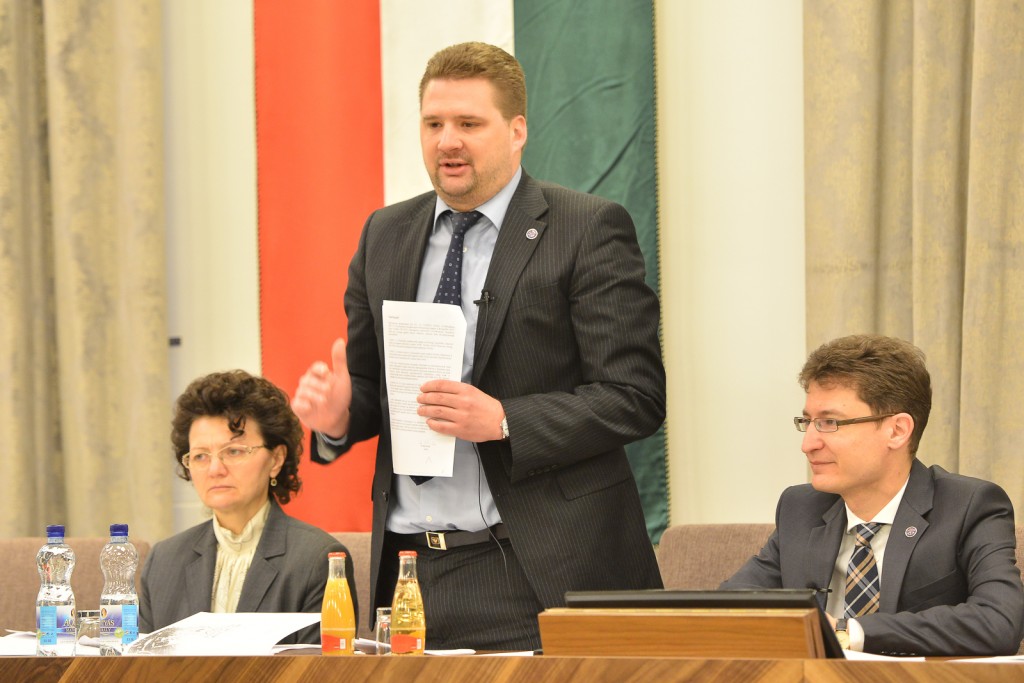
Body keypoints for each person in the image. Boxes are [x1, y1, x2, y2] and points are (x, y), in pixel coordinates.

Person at [292, 42, 665, 650]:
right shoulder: (385, 233)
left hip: (537, 569)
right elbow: (372, 389)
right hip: (411, 576)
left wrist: (503, 421)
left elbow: (635, 397)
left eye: (469, 123)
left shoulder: (587, 228)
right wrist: (340, 417)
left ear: (517, 131)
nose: (448, 141)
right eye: (433, 124)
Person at [722, 334, 1023, 656]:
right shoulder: (801, 508)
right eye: (807, 422)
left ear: (897, 430)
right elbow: (728, 609)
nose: (807, 444)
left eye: (829, 422)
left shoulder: (968, 505)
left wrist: (846, 631)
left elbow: (998, 622)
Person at [140, 370, 358, 644]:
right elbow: (141, 662)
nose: (215, 469)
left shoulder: (317, 560)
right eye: (200, 456)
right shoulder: (164, 561)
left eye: (234, 451)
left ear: (276, 459)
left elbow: (321, 666)